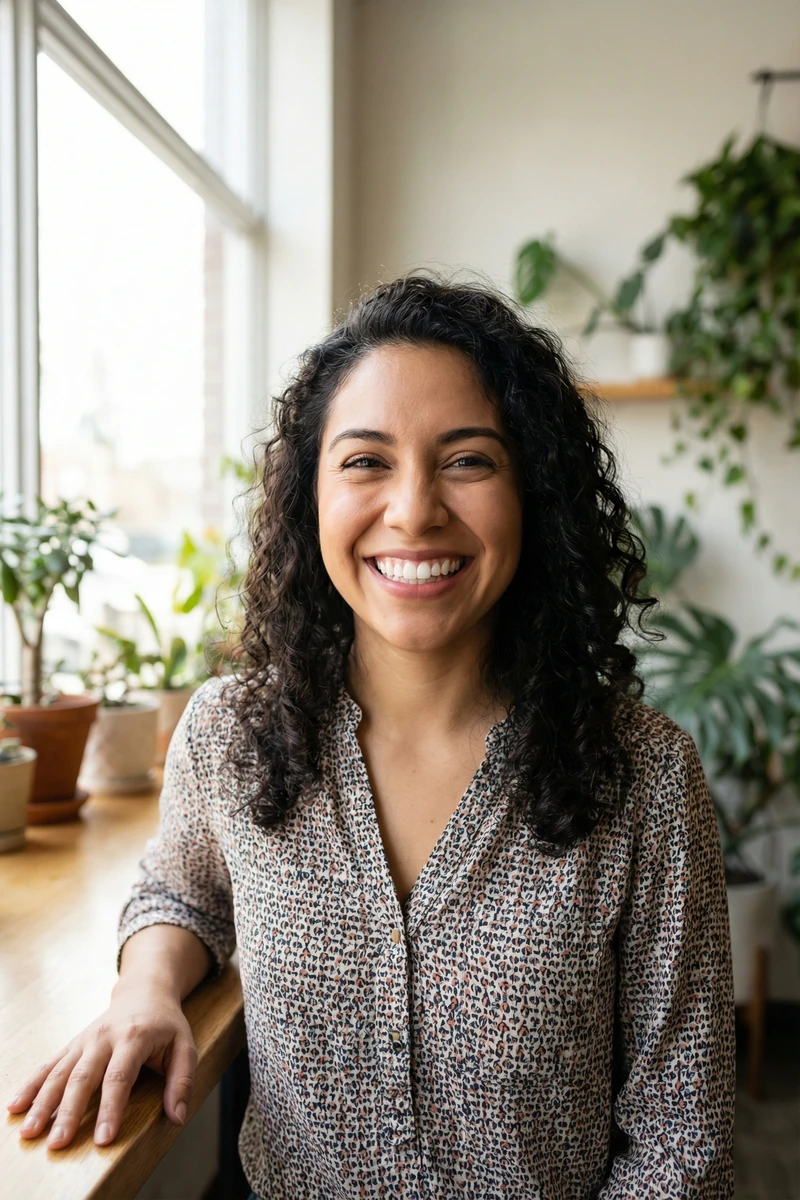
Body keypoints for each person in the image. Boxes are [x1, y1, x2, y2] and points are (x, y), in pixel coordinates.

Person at [8, 276, 735, 1198]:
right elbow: (181, 889)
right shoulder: (232, 734)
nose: (415, 509)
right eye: (365, 462)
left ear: (534, 493)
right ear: (310, 495)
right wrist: (146, 989)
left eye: (468, 460)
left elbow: (682, 1145)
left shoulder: (644, 776)